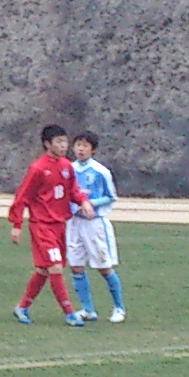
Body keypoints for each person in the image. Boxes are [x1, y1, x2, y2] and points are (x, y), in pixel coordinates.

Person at [9, 124, 94, 327]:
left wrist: (83, 201)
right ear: (47, 144)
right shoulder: (37, 168)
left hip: (60, 225)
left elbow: (73, 190)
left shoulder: (66, 167)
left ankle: (22, 307)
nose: (64, 146)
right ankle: (69, 313)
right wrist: (16, 224)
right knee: (55, 267)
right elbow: (22, 197)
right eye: (59, 142)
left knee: (44, 270)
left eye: (65, 141)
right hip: (42, 225)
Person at [68, 132, 125, 323]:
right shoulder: (68, 169)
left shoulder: (101, 171)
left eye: (85, 146)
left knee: (104, 267)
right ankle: (87, 309)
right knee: (76, 266)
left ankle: (119, 308)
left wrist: (91, 203)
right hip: (74, 223)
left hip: (94, 224)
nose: (81, 149)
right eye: (78, 145)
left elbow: (111, 196)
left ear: (92, 149)